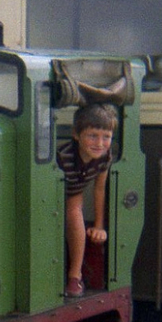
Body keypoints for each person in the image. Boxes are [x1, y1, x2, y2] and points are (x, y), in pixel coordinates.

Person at [56, 102, 117, 297]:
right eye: (92, 136)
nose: (99, 143)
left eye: (106, 137)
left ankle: (75, 276)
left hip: (74, 192)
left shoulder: (105, 157)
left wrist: (99, 226)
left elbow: (99, 189)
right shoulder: (63, 157)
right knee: (72, 210)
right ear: (76, 134)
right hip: (54, 194)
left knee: (75, 210)